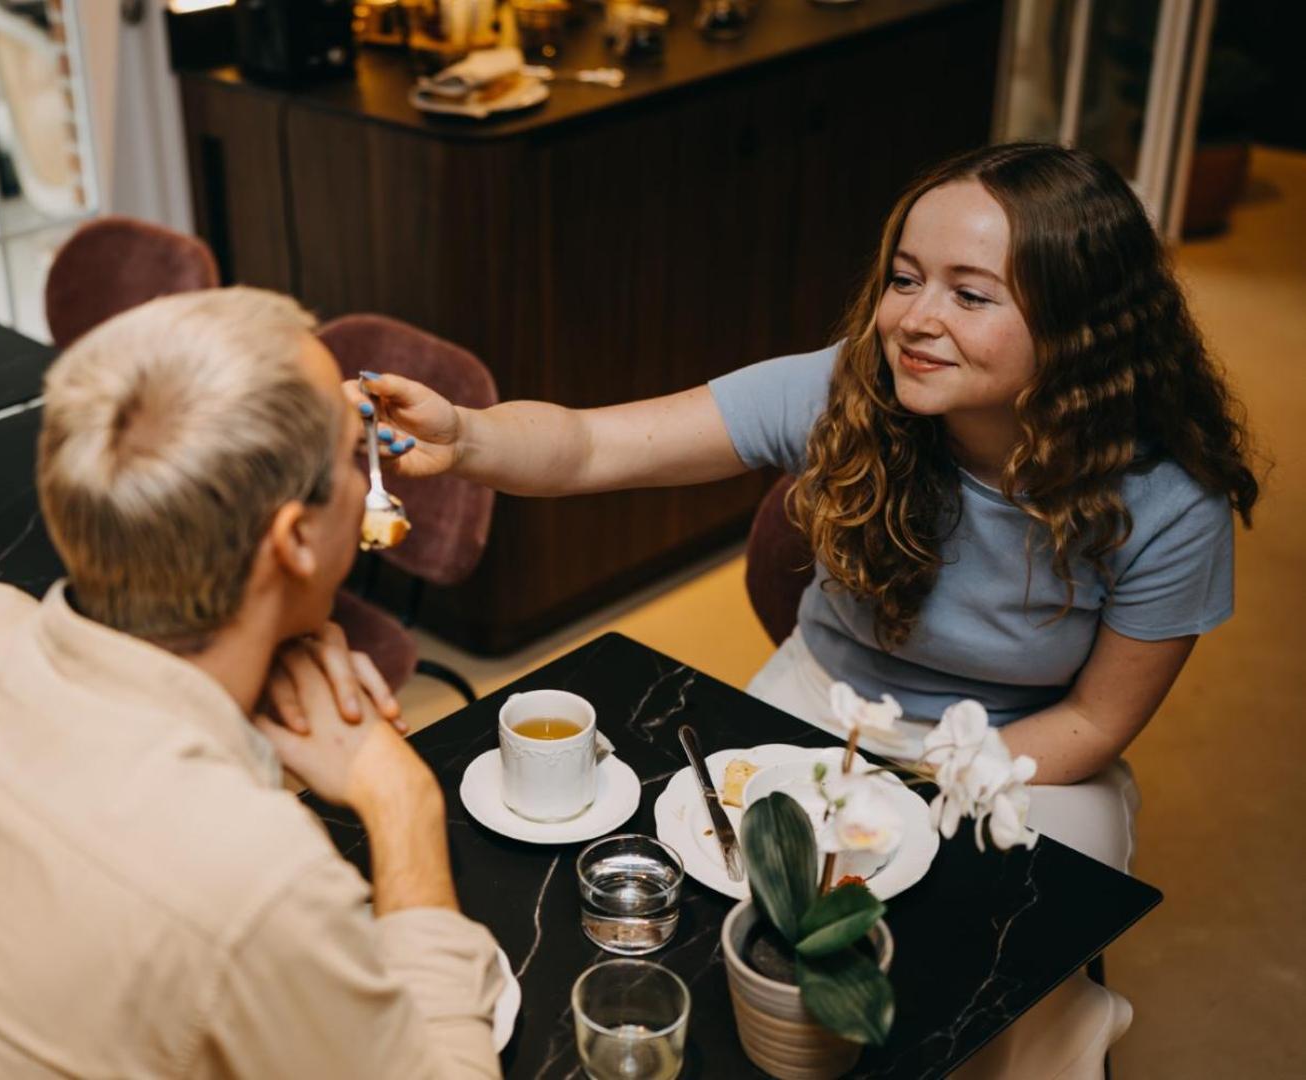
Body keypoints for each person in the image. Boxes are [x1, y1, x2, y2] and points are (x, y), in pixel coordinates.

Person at [357, 142, 1260, 1078]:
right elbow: (588, 447)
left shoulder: (1171, 500)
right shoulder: (846, 388)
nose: (915, 319)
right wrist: (465, 436)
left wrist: (908, 806)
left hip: (1025, 754)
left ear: (1084, 323)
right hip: (824, 696)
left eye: (971, 294)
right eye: (905, 278)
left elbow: (1096, 719)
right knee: (725, 931)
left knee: (1005, 987)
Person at [0, 288, 504, 1079]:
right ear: (295, 538)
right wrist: (403, 803)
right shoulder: (258, 878)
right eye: (350, 457)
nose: (371, 471)